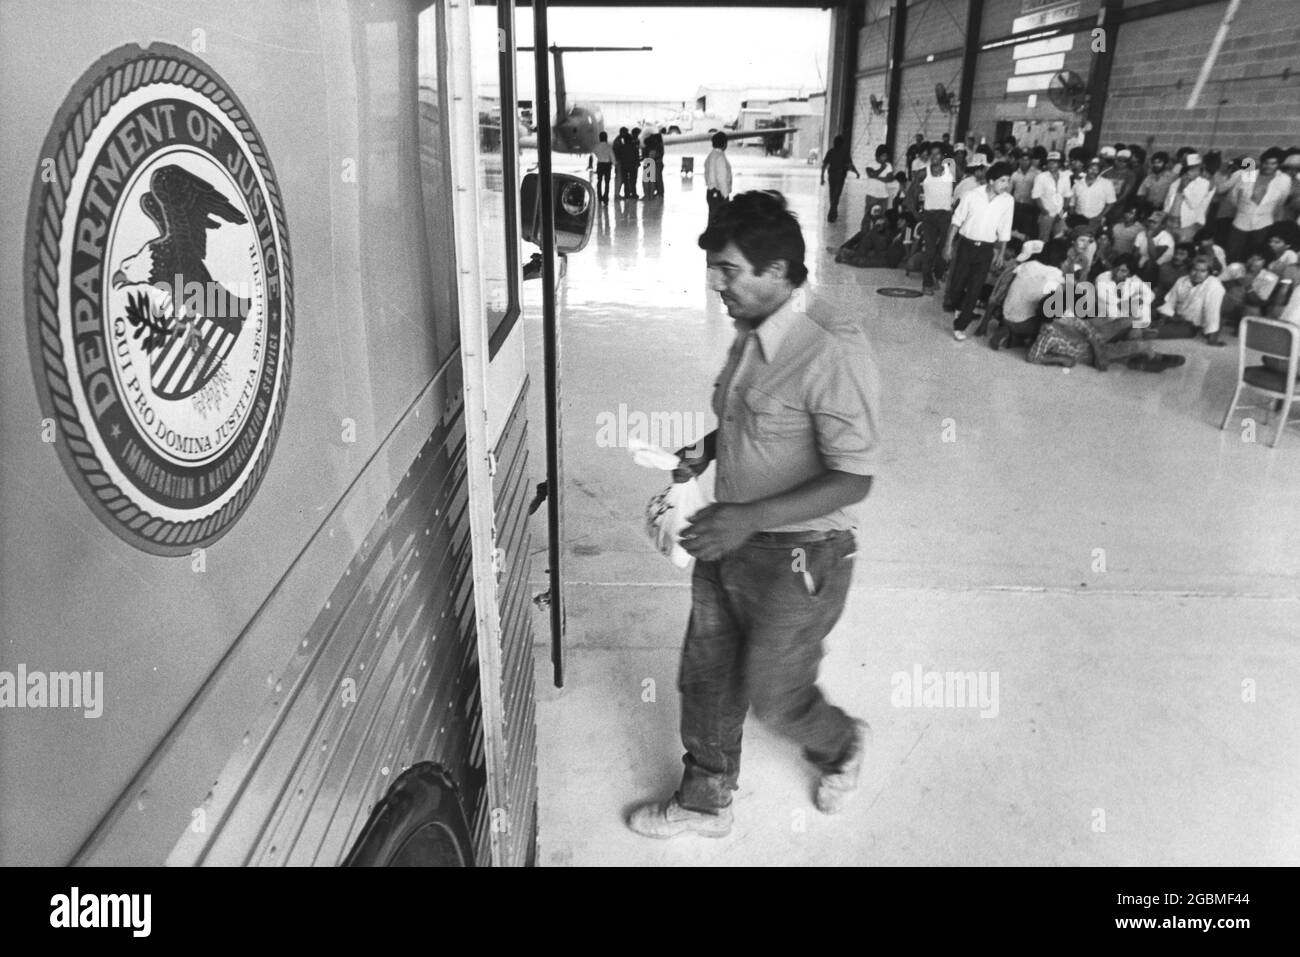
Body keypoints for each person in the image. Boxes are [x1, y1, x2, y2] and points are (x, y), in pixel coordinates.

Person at [626, 190, 880, 839]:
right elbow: (743, 417)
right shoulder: (752, 329)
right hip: (729, 534)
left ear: (776, 272)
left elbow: (852, 479)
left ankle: (841, 742)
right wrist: (704, 452)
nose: (717, 285)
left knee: (774, 693)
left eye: (729, 271)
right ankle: (706, 800)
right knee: (706, 675)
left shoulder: (830, 351)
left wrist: (747, 518)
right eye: (715, 270)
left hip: (802, 557)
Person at [944, 160, 1015, 340]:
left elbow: (1005, 228)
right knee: (957, 286)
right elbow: (956, 221)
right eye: (1003, 181)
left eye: (1008, 181)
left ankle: (961, 325)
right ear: (991, 181)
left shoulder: (1008, 201)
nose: (1006, 185)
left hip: (986, 250)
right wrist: (947, 246)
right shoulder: (972, 195)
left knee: (975, 288)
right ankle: (959, 306)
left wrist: (1000, 252)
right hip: (966, 246)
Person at [1223, 147, 1293, 263]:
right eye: (1266, 163)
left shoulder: (1284, 180)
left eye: (1273, 163)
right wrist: (1244, 210)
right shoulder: (1249, 173)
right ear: (1262, 162)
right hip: (1241, 220)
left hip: (1264, 223)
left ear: (1278, 164)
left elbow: (1281, 201)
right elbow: (1234, 196)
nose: (1268, 166)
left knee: (1256, 255)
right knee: (1232, 252)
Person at [906, 144, 957, 294]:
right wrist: (916, 213)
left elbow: (960, 187)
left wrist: (956, 205)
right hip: (929, 216)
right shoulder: (923, 173)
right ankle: (927, 282)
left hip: (945, 216)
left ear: (943, 156)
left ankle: (937, 275)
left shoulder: (951, 170)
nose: (934, 157)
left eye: (937, 154)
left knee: (943, 250)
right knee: (930, 250)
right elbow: (910, 195)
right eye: (931, 155)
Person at [1154, 254, 1226, 344]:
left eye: (1203, 271)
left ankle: (1141, 332)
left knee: (1156, 331)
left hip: (1192, 325)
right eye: (1194, 269)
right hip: (1175, 317)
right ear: (1189, 270)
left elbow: (1212, 312)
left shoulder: (1214, 286)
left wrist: (1212, 338)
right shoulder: (1182, 280)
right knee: (1146, 314)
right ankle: (1137, 326)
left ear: (1209, 272)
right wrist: (1162, 319)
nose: (1197, 274)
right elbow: (1170, 302)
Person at [1163, 152, 1212, 242]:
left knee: (1182, 248)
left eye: (1194, 169)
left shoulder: (1203, 183)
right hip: (1170, 221)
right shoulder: (1177, 181)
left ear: (1200, 170)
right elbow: (1168, 201)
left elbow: (1194, 204)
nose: (1190, 172)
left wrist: (1185, 188)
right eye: (1188, 168)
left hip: (1187, 224)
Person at [1032, 150, 1072, 241]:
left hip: (1060, 213)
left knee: (1061, 238)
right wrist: (1044, 212)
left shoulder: (1065, 177)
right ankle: (1041, 255)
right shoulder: (1041, 177)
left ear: (1060, 164)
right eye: (1049, 162)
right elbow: (1036, 196)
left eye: (1054, 162)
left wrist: (1062, 213)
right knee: (1043, 239)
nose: (1051, 165)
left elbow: (1068, 196)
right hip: (1046, 214)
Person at [820, 134, 860, 222]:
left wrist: (822, 177)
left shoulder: (830, 152)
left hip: (831, 176)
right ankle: (831, 214)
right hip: (840, 176)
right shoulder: (845, 152)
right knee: (836, 195)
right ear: (842, 143)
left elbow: (824, 165)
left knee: (832, 194)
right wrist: (856, 172)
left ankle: (834, 212)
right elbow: (850, 165)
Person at [1072, 158, 1117, 229]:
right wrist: (1073, 214)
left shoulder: (1106, 183)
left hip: (1095, 219)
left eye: (1096, 169)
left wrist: (1100, 216)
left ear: (1100, 171)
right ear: (1086, 169)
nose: (1093, 171)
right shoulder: (1077, 184)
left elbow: (1111, 202)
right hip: (1078, 218)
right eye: (1091, 168)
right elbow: (1072, 201)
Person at [704, 132, 732, 224]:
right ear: (724, 144)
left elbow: (707, 174)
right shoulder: (720, 157)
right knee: (720, 221)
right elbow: (722, 178)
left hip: (710, 192)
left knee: (712, 219)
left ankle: (711, 237)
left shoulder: (710, 155)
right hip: (719, 194)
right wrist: (725, 195)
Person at [592, 131, 614, 204]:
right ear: (606, 138)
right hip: (607, 165)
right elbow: (612, 157)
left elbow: (594, 152)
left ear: (599, 138)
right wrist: (614, 163)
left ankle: (599, 197)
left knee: (599, 181)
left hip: (600, 164)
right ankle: (605, 198)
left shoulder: (596, 147)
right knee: (607, 182)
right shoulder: (609, 147)